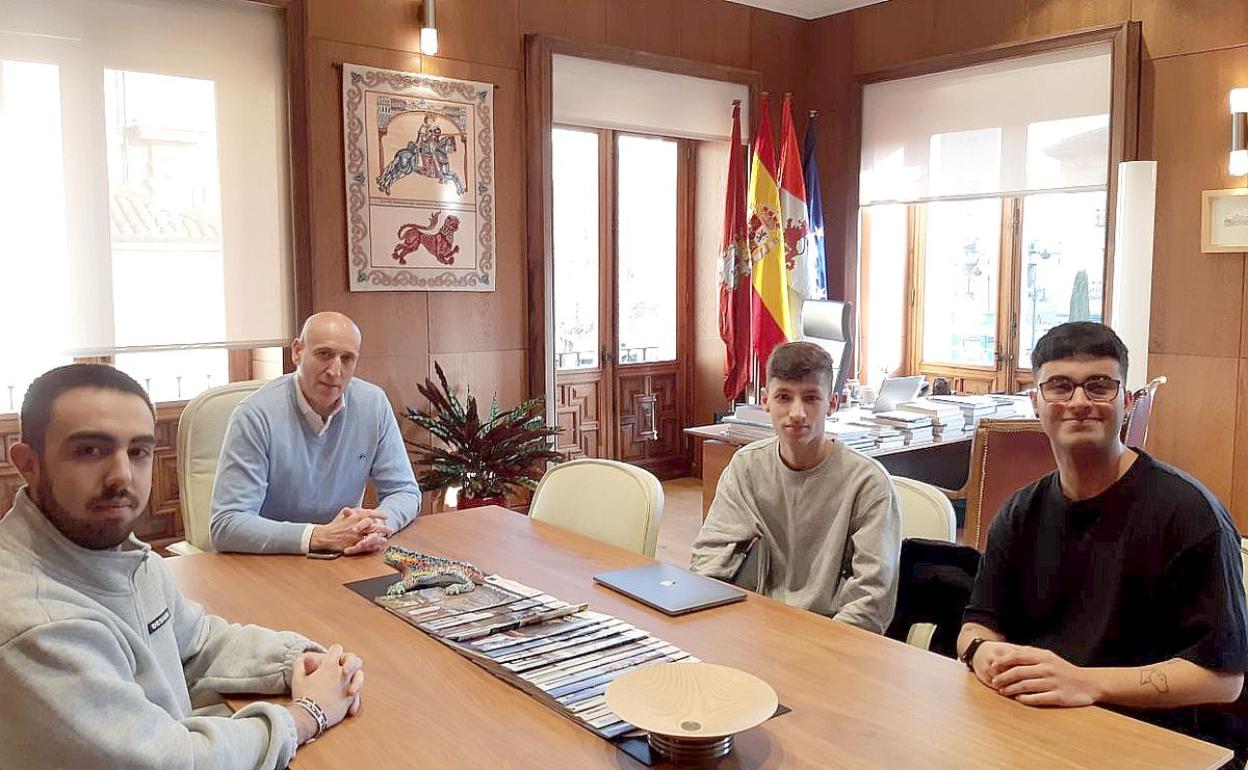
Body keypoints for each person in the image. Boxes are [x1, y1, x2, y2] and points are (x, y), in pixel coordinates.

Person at [0, 364, 366, 768]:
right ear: (28, 463)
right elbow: (167, 761)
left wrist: (301, 659)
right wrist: (306, 715)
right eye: (90, 450)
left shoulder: (117, 549)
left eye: (138, 451)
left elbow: (196, 641)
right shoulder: (33, 624)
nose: (121, 475)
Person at [958, 322, 1248, 764]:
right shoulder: (1020, 512)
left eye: (1099, 387)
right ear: (1035, 402)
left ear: (1126, 402)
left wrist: (1085, 682)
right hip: (1035, 729)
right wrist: (982, 653)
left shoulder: (1189, 514)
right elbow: (977, 625)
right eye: (1059, 386)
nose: (1078, 403)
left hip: (1149, 742)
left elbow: (1223, 679)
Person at [690, 341, 901, 633]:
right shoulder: (747, 467)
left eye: (811, 398)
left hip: (831, 639)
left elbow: (871, 597)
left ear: (833, 402)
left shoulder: (868, 484)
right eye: (784, 397)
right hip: (757, 628)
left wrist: (820, 646)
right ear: (766, 401)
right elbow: (709, 557)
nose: (797, 412)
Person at [210, 311, 421, 555]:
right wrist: (319, 536)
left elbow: (404, 491)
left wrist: (378, 525)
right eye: (324, 354)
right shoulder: (254, 415)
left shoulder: (373, 404)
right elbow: (227, 523)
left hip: (345, 556)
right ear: (297, 352)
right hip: (271, 562)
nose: (335, 371)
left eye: (347, 358)